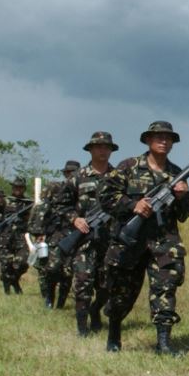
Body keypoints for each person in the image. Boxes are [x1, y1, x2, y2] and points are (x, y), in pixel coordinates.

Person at [100, 121, 189, 354]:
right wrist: (134, 205)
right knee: (122, 293)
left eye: (168, 138)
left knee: (166, 290)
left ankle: (163, 343)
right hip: (130, 241)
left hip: (164, 243)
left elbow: (185, 214)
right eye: (158, 136)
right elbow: (105, 198)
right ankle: (114, 334)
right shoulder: (128, 167)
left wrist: (183, 197)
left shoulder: (177, 173)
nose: (164, 140)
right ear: (148, 140)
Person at [61, 132, 118, 336]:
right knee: (83, 282)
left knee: (107, 285)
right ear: (91, 149)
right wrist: (75, 218)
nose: (103, 150)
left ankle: (96, 310)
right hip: (84, 240)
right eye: (98, 146)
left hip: (111, 240)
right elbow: (61, 205)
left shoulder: (119, 176)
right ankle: (82, 327)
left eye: (106, 147)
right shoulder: (78, 177)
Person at [28, 161, 81, 309]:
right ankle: (49, 299)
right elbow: (41, 210)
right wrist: (39, 232)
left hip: (76, 235)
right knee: (51, 268)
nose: (71, 176)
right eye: (68, 173)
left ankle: (61, 303)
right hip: (56, 235)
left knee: (67, 272)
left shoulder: (84, 191)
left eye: (74, 173)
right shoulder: (56, 188)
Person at [0, 177, 35, 295]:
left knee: (23, 262)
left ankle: (14, 280)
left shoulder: (29, 203)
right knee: (6, 264)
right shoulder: (5, 202)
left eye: (20, 187)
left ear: (23, 189)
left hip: (21, 237)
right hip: (6, 237)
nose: (17, 189)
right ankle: (7, 290)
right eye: (15, 187)